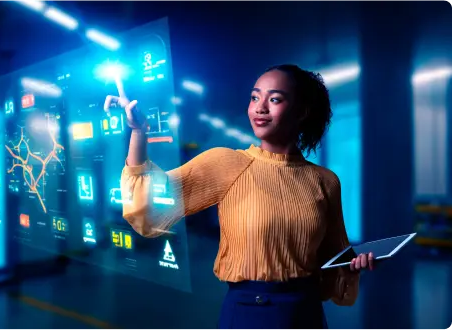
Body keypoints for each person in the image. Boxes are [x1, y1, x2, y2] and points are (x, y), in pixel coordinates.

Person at [119, 64, 374, 330]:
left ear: (302, 111)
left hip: (306, 314)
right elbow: (150, 207)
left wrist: (353, 266)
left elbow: (336, 260)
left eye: (274, 99)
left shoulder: (325, 181)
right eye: (255, 98)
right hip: (250, 313)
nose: (260, 107)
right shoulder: (227, 163)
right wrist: (139, 132)